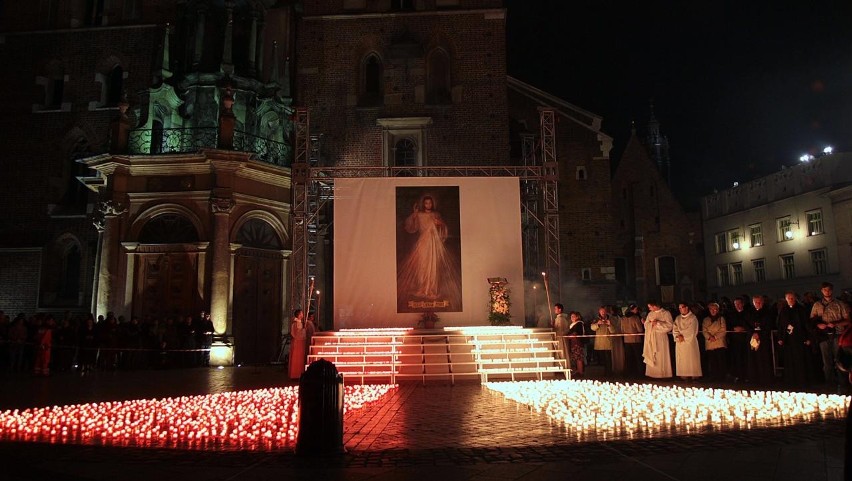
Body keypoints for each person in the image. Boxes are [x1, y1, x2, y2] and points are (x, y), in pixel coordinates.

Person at [397, 194, 462, 306]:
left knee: (433, 266)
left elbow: (442, 228)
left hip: (433, 243)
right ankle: (423, 288)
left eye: (430, 203)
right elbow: (411, 227)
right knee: (422, 265)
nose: (428, 205)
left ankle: (431, 288)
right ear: (424, 204)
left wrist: (440, 224)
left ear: (433, 203)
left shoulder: (436, 214)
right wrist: (414, 214)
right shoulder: (420, 215)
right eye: (426, 203)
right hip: (423, 243)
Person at [810, 281, 851, 392]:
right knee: (826, 362)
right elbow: (812, 320)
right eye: (825, 290)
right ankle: (830, 384)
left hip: (837, 334)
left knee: (839, 360)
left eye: (828, 289)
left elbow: (848, 320)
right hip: (823, 336)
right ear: (821, 291)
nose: (827, 292)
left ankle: (843, 384)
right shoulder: (817, 305)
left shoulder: (840, 304)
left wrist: (836, 324)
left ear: (832, 291)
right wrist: (819, 325)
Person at [777, 291, 813, 389]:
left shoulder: (801, 310)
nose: (791, 300)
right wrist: (780, 337)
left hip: (799, 339)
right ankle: (790, 380)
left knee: (800, 360)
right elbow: (780, 325)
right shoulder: (783, 310)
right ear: (786, 299)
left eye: (792, 298)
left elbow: (806, 324)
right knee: (789, 360)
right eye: (788, 298)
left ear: (795, 298)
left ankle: (802, 380)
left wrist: (808, 338)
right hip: (788, 339)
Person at [746, 295, 776, 386]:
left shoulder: (768, 312)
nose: (757, 304)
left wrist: (759, 334)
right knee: (753, 358)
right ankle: (754, 379)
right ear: (753, 302)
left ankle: (765, 379)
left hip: (763, 339)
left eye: (759, 302)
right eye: (756, 302)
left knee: (763, 359)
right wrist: (753, 333)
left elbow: (769, 324)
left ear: (762, 302)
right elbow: (747, 324)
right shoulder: (750, 312)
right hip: (753, 338)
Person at [643, 300, 673, 379]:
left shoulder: (666, 313)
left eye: (650, 307)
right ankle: (652, 373)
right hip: (651, 337)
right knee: (652, 353)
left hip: (661, 337)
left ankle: (662, 374)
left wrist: (659, 323)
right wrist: (650, 324)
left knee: (661, 354)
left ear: (655, 306)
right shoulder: (650, 314)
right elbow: (646, 325)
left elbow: (670, 326)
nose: (649, 309)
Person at [673, 303, 702, 380]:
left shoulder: (693, 318)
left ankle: (694, 376)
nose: (680, 309)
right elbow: (675, 329)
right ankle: (684, 376)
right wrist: (678, 335)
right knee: (682, 360)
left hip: (690, 342)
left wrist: (683, 336)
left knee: (691, 359)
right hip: (680, 343)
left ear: (686, 308)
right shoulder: (678, 318)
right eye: (679, 308)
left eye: (682, 307)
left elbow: (692, 330)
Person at [726, 297, 750, 383]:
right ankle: (737, 376)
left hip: (745, 339)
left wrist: (743, 328)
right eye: (736, 304)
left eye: (739, 304)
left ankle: (746, 376)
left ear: (742, 304)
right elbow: (728, 325)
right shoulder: (732, 314)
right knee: (736, 358)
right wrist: (733, 328)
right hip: (735, 340)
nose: (737, 306)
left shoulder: (748, 313)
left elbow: (750, 324)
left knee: (745, 358)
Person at [701, 302, 727, 382]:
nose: (713, 311)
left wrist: (715, 337)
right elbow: (704, 330)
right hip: (710, 343)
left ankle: (721, 377)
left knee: (720, 361)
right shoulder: (706, 319)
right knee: (712, 361)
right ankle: (713, 376)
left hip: (719, 343)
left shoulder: (721, 319)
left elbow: (723, 330)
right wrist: (709, 337)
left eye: (715, 309)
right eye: (711, 309)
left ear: (718, 310)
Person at [590, 306, 617, 377]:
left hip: (607, 342)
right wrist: (598, 324)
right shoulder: (596, 319)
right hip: (599, 343)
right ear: (599, 312)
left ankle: (609, 373)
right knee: (601, 359)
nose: (603, 313)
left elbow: (613, 330)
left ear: (606, 312)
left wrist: (609, 325)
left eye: (604, 311)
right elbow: (592, 328)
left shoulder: (611, 319)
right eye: (601, 311)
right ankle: (601, 374)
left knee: (608, 359)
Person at [620, 304, 645, 379]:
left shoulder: (623, 318)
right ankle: (640, 373)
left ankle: (627, 373)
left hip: (627, 340)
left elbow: (622, 329)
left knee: (628, 358)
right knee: (638, 357)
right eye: (636, 309)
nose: (637, 310)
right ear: (633, 310)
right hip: (636, 340)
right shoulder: (636, 318)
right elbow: (640, 329)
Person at [566, 311, 586, 378]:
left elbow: (576, 333)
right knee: (576, 357)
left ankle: (580, 372)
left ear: (577, 317)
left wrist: (569, 336)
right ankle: (578, 370)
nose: (572, 318)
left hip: (578, 343)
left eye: (573, 316)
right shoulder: (573, 324)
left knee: (579, 358)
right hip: (573, 343)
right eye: (571, 316)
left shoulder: (579, 324)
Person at [288, 309, 307, 380]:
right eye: (301, 314)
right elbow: (295, 333)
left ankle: (299, 373)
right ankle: (295, 374)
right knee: (296, 358)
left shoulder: (300, 322)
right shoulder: (295, 323)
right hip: (297, 342)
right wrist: (303, 330)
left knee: (300, 358)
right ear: (298, 315)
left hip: (300, 342)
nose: (302, 315)